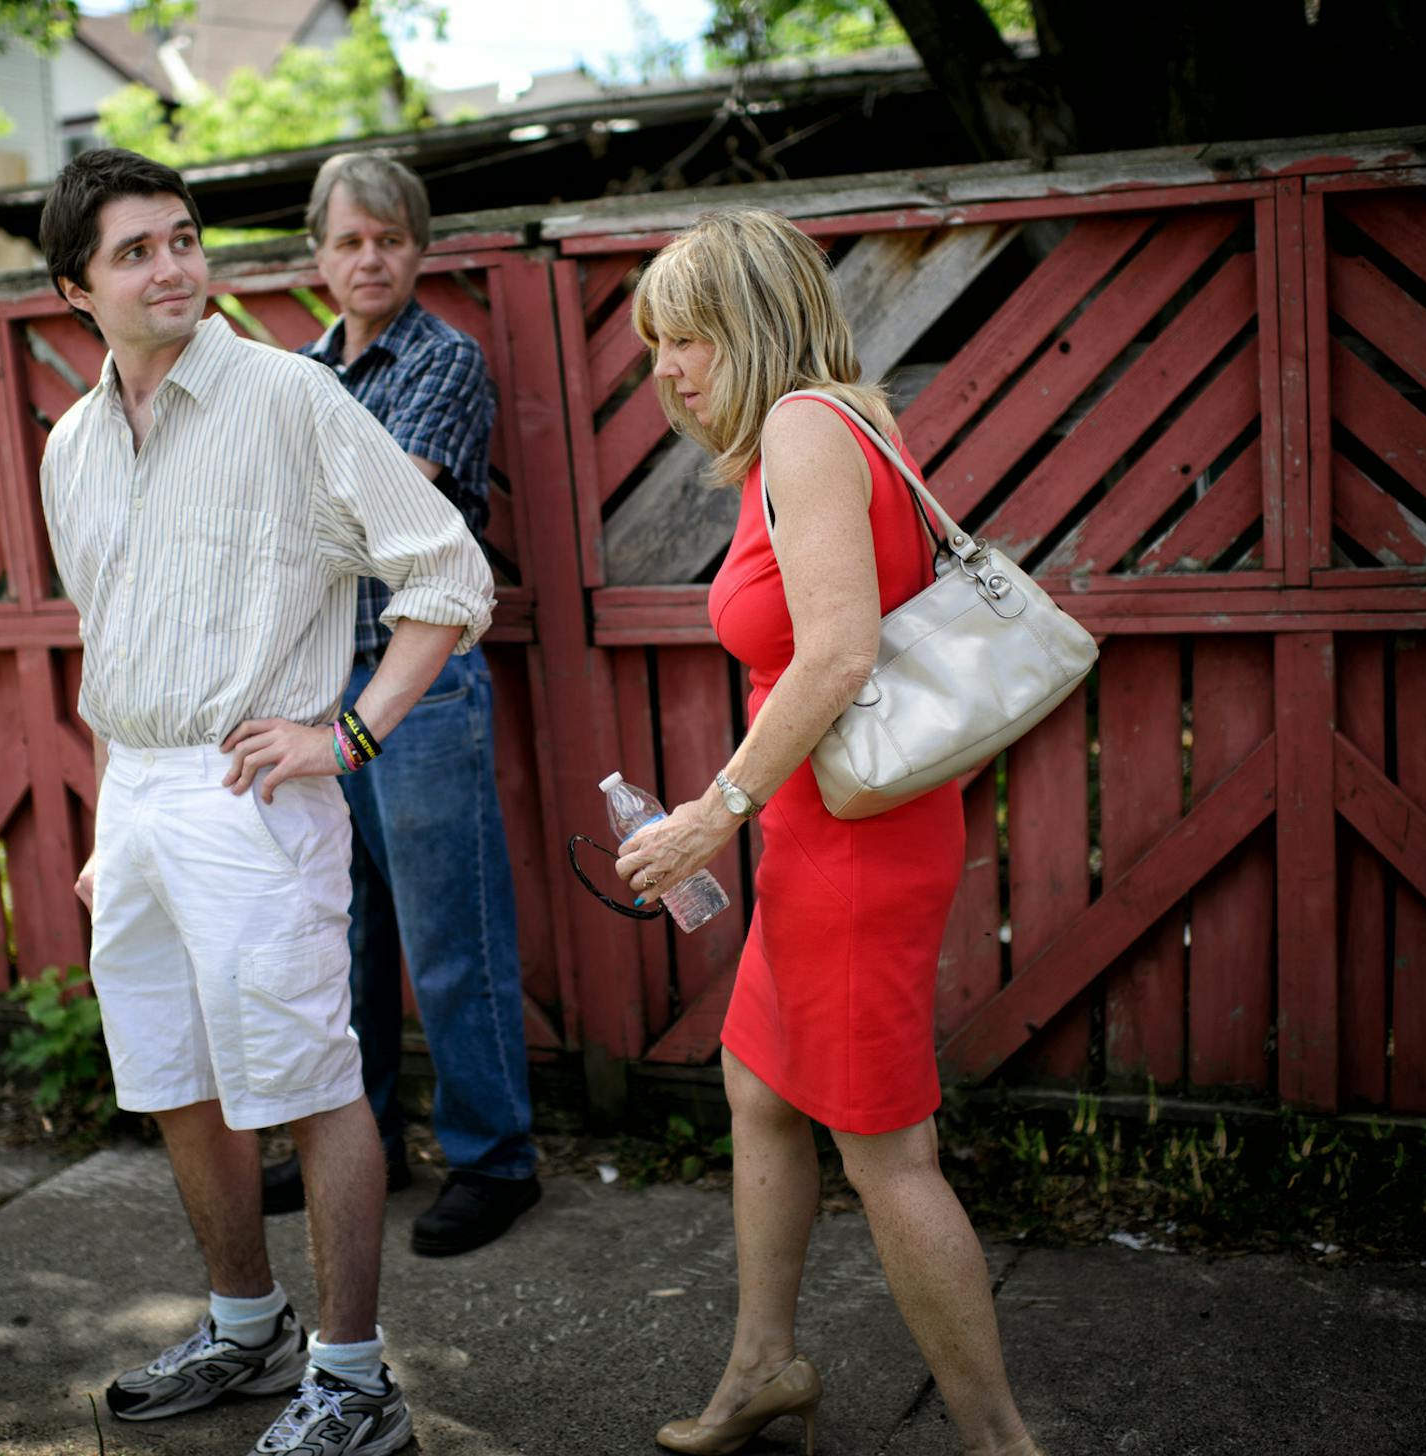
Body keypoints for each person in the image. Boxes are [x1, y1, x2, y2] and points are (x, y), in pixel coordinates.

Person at [38, 148, 494, 1456]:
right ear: (77, 287)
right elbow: (110, 636)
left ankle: (355, 1383)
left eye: (183, 238)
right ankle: (250, 1328)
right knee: (177, 1080)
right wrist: (107, 819)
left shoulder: (289, 395)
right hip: (138, 794)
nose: (175, 266)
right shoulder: (72, 444)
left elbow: (448, 579)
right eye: (137, 251)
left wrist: (347, 733)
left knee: (311, 1081)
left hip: (254, 794)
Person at [614, 208, 1044, 1456]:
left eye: (684, 338)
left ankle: (1001, 1443)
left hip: (850, 845)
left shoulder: (805, 431)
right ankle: (763, 1365)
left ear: (752, 323)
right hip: (824, 829)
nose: (668, 371)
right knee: (760, 1080)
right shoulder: (834, 418)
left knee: (889, 1151)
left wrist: (711, 813)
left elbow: (842, 651)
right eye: (654, 347)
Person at [256, 151, 541, 1257]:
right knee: (350, 931)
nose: (370, 257)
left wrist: (286, 521)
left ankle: (495, 1159)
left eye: (389, 238)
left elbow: (389, 508)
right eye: (349, 241)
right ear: (318, 258)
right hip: (324, 689)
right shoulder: (300, 372)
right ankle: (364, 1136)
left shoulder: (445, 360)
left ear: (417, 248)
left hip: (420, 689)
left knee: (451, 935)